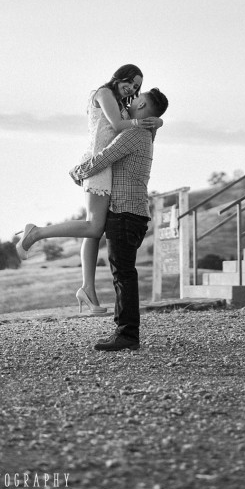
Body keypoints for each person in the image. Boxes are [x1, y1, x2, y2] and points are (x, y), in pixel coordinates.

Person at [16, 87, 168, 351]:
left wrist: (77, 172)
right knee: (123, 273)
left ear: (143, 105)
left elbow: (103, 159)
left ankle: (127, 335)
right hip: (134, 213)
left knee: (124, 275)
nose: (132, 99)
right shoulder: (146, 134)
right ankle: (125, 332)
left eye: (137, 98)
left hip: (125, 213)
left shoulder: (133, 134)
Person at [69, 64, 162, 315]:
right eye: (129, 82)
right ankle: (36, 233)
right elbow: (119, 126)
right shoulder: (104, 93)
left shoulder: (121, 103)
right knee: (93, 227)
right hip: (96, 163)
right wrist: (148, 122)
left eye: (136, 87)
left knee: (94, 231)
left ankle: (88, 290)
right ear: (119, 76)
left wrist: (157, 122)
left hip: (106, 166)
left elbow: (134, 130)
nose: (131, 88)